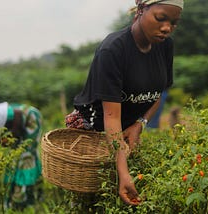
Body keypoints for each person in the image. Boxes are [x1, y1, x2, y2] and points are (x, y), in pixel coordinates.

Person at [65, 0, 183, 206]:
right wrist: (123, 171)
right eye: (161, 18)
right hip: (96, 135)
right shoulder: (113, 50)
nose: (167, 28)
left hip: (128, 134)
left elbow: (159, 92)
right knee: (96, 202)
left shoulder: (165, 46)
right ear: (140, 10)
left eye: (174, 22)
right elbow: (111, 117)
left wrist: (140, 123)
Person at [0, 102, 42, 209]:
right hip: (17, 125)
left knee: (26, 156)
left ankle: (26, 198)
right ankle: (21, 197)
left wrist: (12, 136)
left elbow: (18, 114)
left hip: (29, 116)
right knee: (14, 159)